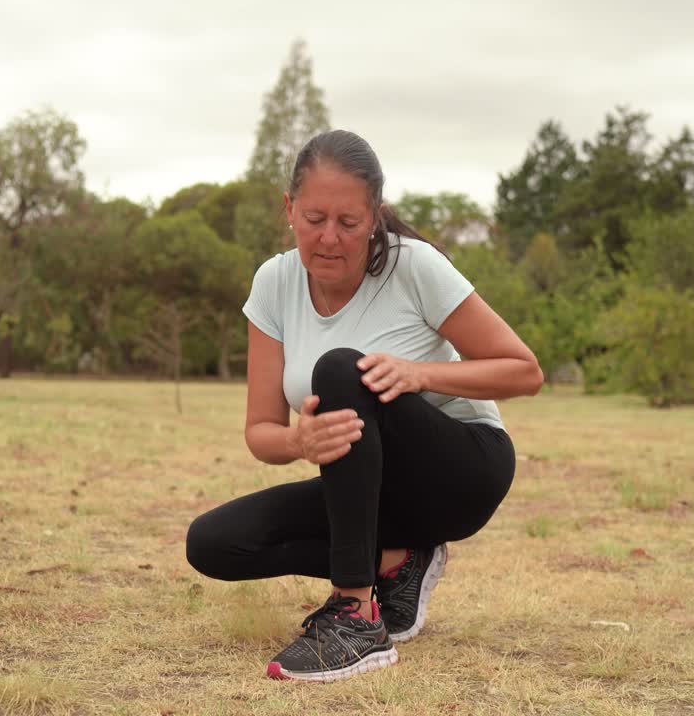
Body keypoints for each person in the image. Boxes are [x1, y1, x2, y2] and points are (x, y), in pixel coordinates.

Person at [185, 130, 542, 682]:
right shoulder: (274, 284)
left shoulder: (414, 266)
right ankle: (396, 564)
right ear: (289, 209)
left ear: (374, 215)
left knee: (340, 369)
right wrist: (298, 443)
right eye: (314, 219)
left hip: (464, 471)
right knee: (213, 543)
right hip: (371, 491)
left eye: (349, 223)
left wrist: (419, 373)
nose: (329, 238)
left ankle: (356, 617)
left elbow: (524, 371)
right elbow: (260, 430)